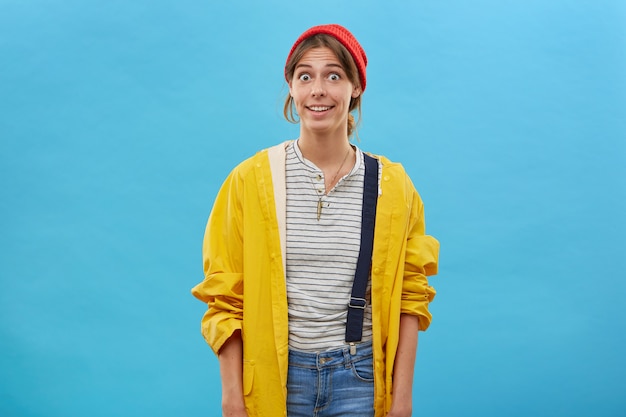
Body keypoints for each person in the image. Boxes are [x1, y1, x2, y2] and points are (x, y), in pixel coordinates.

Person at [192, 24, 439, 417]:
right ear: (291, 86)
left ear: (355, 87)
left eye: (334, 76)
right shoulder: (250, 180)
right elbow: (225, 295)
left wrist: (401, 399)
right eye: (305, 76)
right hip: (277, 377)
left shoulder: (392, 186)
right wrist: (232, 398)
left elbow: (412, 295)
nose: (318, 90)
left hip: (360, 379)